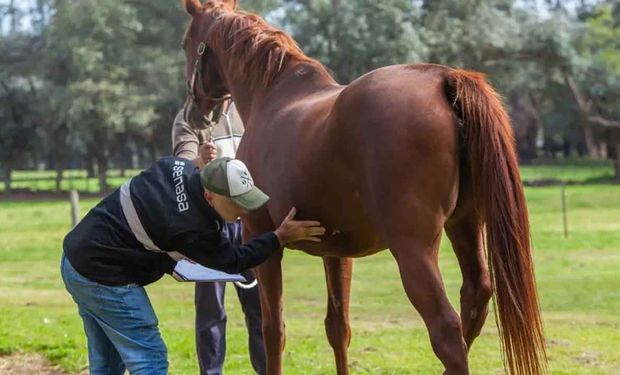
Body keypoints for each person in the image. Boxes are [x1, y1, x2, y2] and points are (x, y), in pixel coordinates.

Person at [61, 152, 325, 375]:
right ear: (210, 196)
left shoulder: (176, 165)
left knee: (107, 364)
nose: (245, 210)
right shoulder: (193, 228)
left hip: (76, 260)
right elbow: (235, 260)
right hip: (101, 276)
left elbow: (174, 184)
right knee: (149, 358)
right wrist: (280, 236)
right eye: (237, 203)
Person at [172, 101, 264, 375]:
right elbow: (181, 165)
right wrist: (199, 160)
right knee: (211, 311)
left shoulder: (250, 108)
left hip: (250, 220)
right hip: (210, 226)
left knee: (261, 309)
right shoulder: (189, 117)